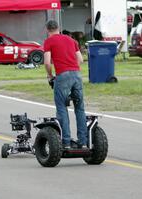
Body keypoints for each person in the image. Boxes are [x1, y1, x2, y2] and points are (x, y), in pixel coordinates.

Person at [43, 20, 87, 149]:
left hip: (62, 75)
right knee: (79, 108)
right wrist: (72, 68)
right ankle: (83, 142)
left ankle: (66, 142)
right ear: (58, 28)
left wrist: (50, 75)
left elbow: (46, 62)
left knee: (62, 107)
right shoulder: (71, 40)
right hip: (77, 75)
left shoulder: (49, 41)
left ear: (47, 29)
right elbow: (80, 59)